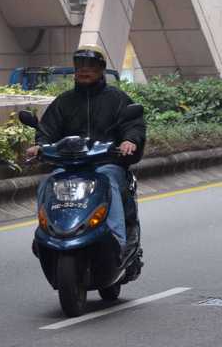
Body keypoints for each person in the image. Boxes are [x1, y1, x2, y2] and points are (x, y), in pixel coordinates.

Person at [26, 45, 146, 251]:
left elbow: (133, 125)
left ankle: (118, 240)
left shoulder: (117, 99)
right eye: (80, 65)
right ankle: (46, 235)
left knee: (110, 182)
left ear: (101, 69)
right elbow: (47, 130)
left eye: (91, 65)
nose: (84, 70)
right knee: (47, 183)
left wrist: (130, 140)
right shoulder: (64, 101)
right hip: (70, 166)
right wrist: (40, 146)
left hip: (105, 164)